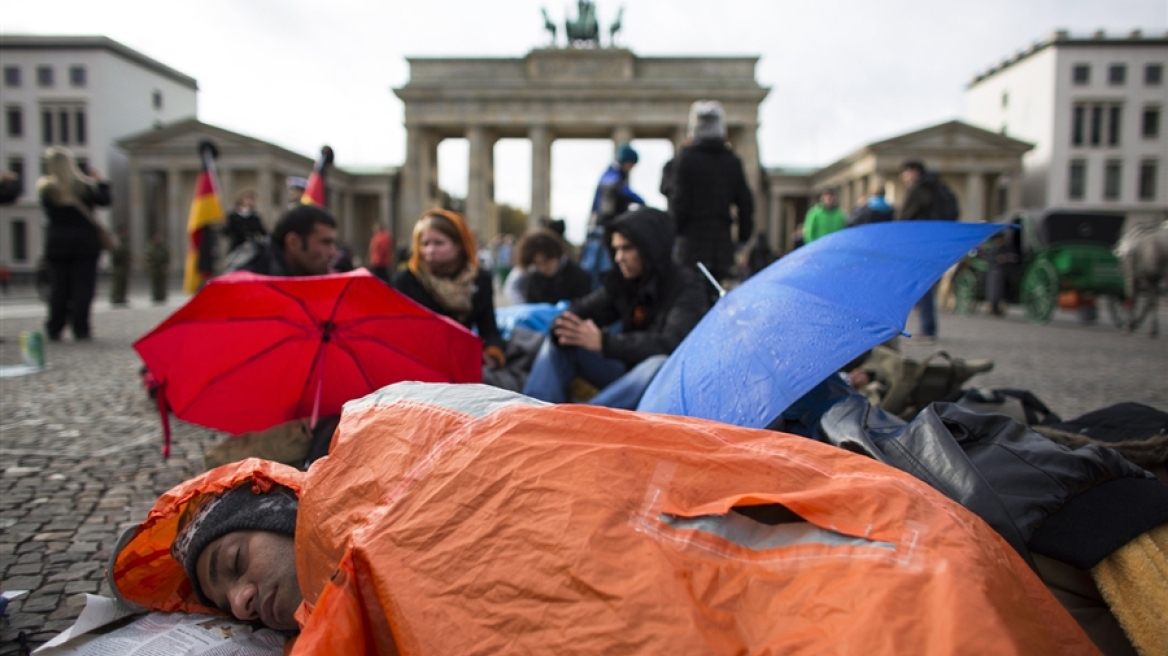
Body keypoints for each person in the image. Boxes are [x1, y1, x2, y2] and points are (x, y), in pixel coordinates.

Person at [110, 382, 1122, 654]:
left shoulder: (378, 464)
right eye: (228, 604)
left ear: (278, 504)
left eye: (236, 554)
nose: (242, 594)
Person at [522, 207, 709, 410]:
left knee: (658, 364)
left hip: (659, 383)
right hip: (624, 374)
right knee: (562, 341)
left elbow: (672, 345)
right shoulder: (625, 283)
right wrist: (564, 326)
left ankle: (583, 423)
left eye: (627, 248)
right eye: (616, 249)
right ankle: (533, 416)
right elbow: (582, 309)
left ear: (650, 247)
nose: (619, 257)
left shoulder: (687, 287)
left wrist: (605, 342)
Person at [392, 209, 506, 371]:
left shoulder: (480, 280)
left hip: (462, 363)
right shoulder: (407, 280)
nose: (430, 250)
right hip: (419, 364)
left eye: (439, 243)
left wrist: (493, 354)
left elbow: (489, 329)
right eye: (425, 244)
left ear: (459, 245)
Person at [669, 100, 754, 286]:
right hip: (721, 243)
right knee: (717, 293)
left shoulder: (686, 160)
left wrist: (677, 233)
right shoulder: (732, 161)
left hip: (691, 244)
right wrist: (742, 238)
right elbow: (746, 203)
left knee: (690, 295)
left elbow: (678, 203)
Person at [37, 146, 111, 342]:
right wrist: (100, 182)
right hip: (84, 243)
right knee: (83, 288)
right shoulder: (84, 186)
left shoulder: (47, 189)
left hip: (58, 243)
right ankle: (81, 327)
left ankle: (55, 327)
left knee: (59, 287)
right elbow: (105, 200)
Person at [580, 144, 645, 290]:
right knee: (604, 272)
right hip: (603, 232)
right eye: (631, 165)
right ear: (626, 162)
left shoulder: (609, 175)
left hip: (599, 230)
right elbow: (621, 191)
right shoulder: (613, 178)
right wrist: (642, 202)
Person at [222, 204, 337, 277]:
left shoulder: (318, 271)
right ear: (294, 243)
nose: (333, 252)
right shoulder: (246, 275)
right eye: (325, 242)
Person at [899, 161, 941, 340]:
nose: (903, 177)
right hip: (935, 241)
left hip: (919, 243)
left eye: (905, 173)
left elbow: (906, 217)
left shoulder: (919, 189)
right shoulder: (937, 187)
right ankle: (927, 326)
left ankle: (927, 329)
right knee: (924, 285)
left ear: (914, 171)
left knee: (921, 286)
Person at [512, 228, 592, 305]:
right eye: (537, 264)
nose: (543, 268)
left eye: (546, 261)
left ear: (556, 254)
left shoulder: (580, 278)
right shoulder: (533, 278)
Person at [144, 232, 170, 304]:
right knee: (155, 283)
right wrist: (150, 267)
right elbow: (148, 258)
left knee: (162, 283)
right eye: (157, 237)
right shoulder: (150, 247)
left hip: (162, 267)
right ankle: (156, 296)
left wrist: (166, 264)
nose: (159, 239)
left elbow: (167, 255)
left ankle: (162, 296)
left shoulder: (163, 246)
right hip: (154, 268)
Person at [108, 228, 131, 306]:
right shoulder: (117, 242)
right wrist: (125, 257)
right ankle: (115, 297)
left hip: (124, 265)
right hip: (118, 265)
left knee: (123, 282)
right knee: (117, 282)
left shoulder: (125, 242)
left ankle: (122, 297)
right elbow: (116, 253)